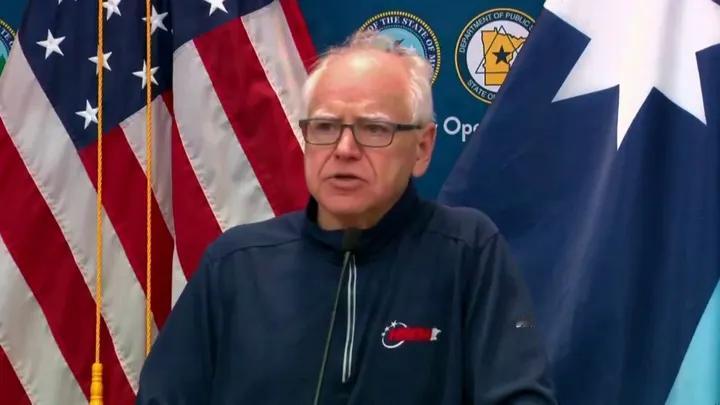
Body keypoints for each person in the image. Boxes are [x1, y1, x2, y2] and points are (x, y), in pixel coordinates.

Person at [137, 31, 557, 404]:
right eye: (325, 127)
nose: (343, 150)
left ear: (423, 147)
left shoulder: (467, 251)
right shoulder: (236, 264)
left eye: (374, 129)